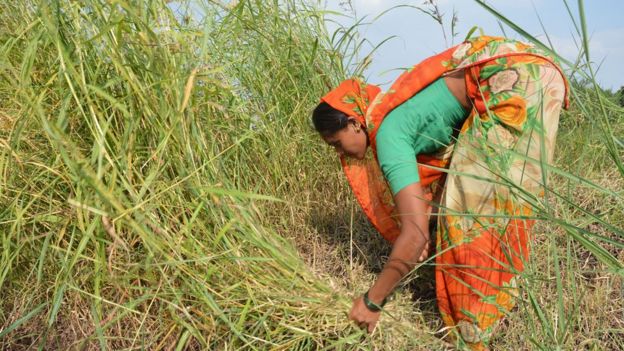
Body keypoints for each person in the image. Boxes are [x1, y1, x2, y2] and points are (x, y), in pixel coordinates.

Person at [311, 35, 569, 350]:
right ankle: (491, 315)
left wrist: (371, 302)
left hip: (509, 81)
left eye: (336, 143)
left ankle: (470, 337)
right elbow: (438, 186)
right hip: (536, 72)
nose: (343, 155)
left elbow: (415, 235)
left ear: (354, 123)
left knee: (469, 225)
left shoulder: (390, 134)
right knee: (499, 210)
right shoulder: (401, 115)